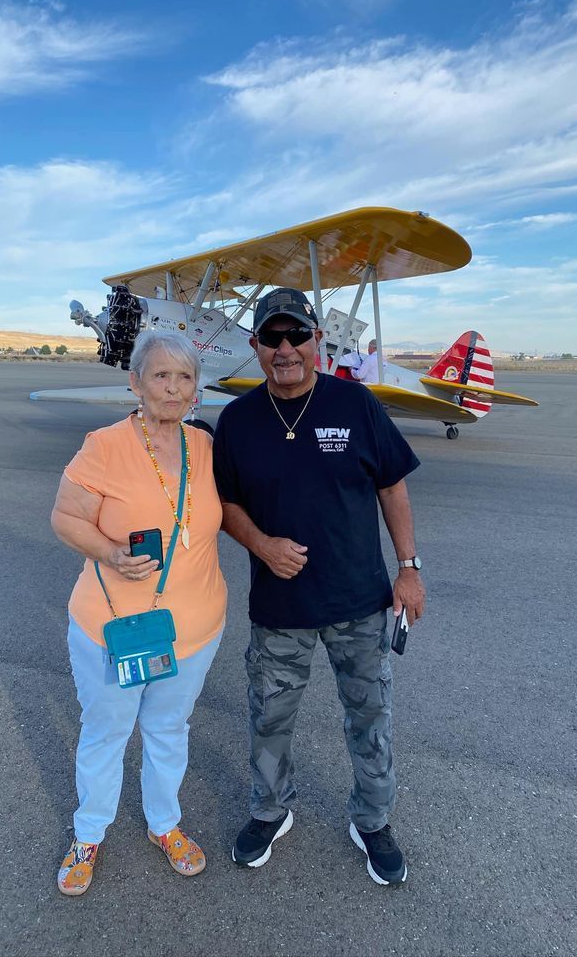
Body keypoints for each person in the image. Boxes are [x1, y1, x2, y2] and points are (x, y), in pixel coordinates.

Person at [212, 288, 425, 886]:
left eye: (297, 336)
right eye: (272, 338)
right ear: (255, 346)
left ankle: (373, 820)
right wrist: (262, 546)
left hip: (359, 604)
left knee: (370, 717)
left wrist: (409, 568)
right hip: (279, 609)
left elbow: (393, 488)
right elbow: (225, 503)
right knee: (270, 718)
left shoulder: (356, 405)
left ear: (317, 342)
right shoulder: (238, 420)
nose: (286, 350)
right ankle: (269, 811)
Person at [51, 332, 227, 895]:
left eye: (184, 378)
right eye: (160, 375)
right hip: (116, 627)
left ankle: (164, 825)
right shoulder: (104, 445)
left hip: (194, 629)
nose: (173, 388)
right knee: (107, 731)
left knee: (169, 729)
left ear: (196, 389)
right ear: (136, 382)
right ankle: (89, 833)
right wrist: (108, 552)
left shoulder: (204, 446)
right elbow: (65, 517)